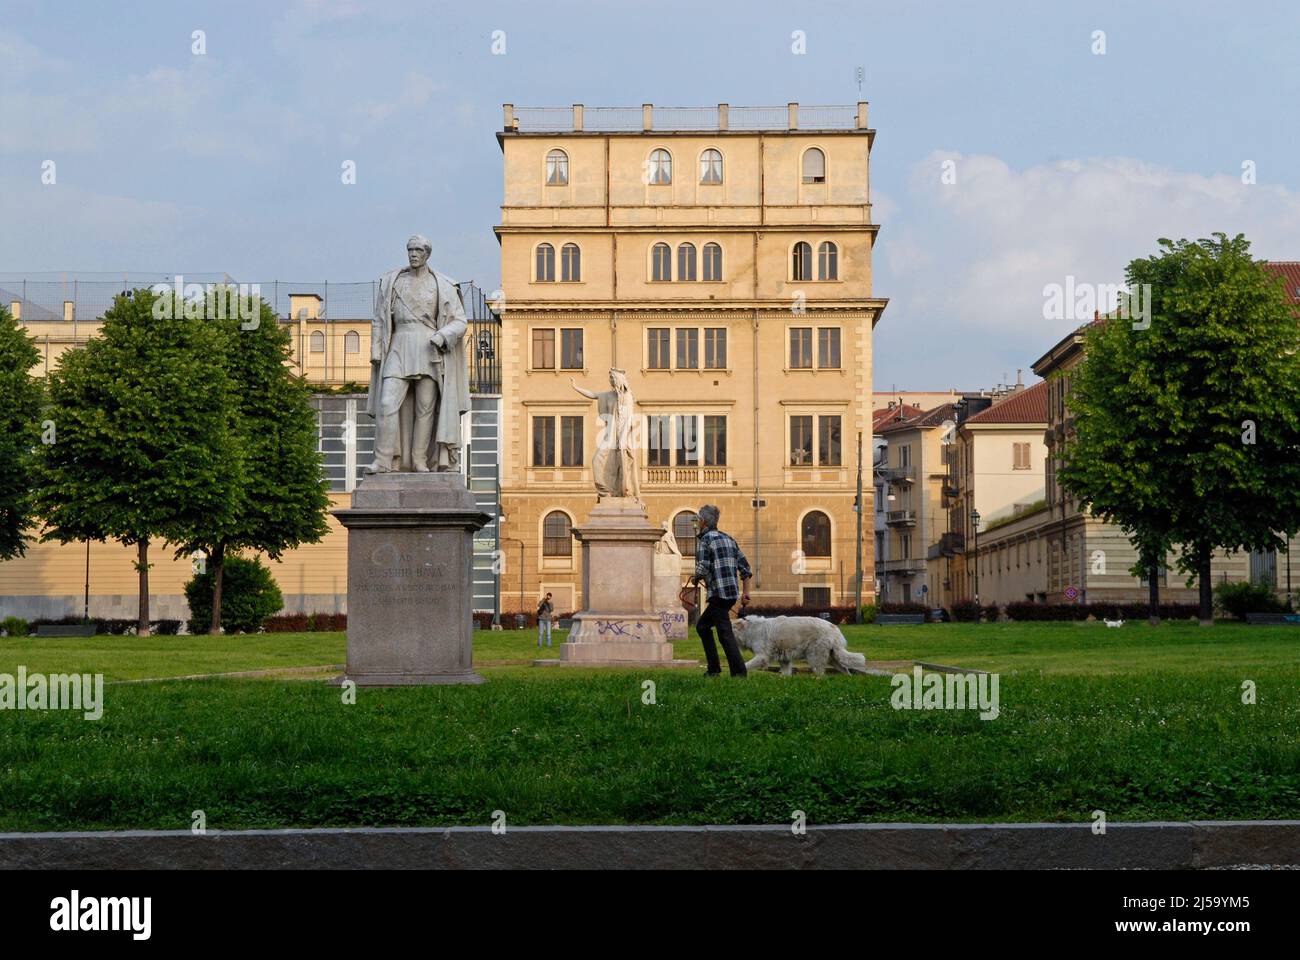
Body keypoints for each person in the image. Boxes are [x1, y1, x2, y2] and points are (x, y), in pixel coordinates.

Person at [687, 504, 752, 677]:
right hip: (730, 595)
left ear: (702, 522)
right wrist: (746, 593)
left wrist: (694, 579)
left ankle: (738, 673)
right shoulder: (729, 538)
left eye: (698, 519)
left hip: (718, 594)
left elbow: (702, 568)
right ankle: (714, 669)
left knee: (724, 633)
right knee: (703, 626)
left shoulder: (705, 540)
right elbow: (745, 568)